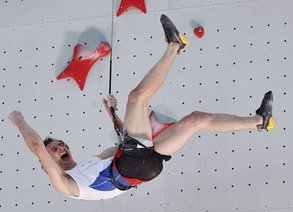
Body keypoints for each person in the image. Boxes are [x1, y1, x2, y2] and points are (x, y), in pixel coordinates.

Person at [8, 14, 275, 200]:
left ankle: (259, 121)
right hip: (133, 168)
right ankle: (174, 46)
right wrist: (18, 119)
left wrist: (112, 114)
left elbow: (126, 141)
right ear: (48, 164)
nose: (61, 148)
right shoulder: (65, 183)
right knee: (136, 97)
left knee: (196, 119)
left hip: (145, 166)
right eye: (54, 150)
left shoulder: (93, 164)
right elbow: (35, 147)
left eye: (61, 144)